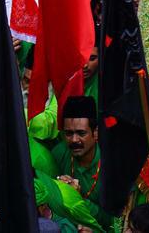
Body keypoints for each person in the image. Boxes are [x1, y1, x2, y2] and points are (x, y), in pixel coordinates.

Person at [51, 96, 107, 225]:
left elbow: (113, 221)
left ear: (96, 132)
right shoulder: (59, 153)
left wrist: (78, 198)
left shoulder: (110, 165)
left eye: (81, 133)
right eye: (69, 133)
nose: (74, 140)